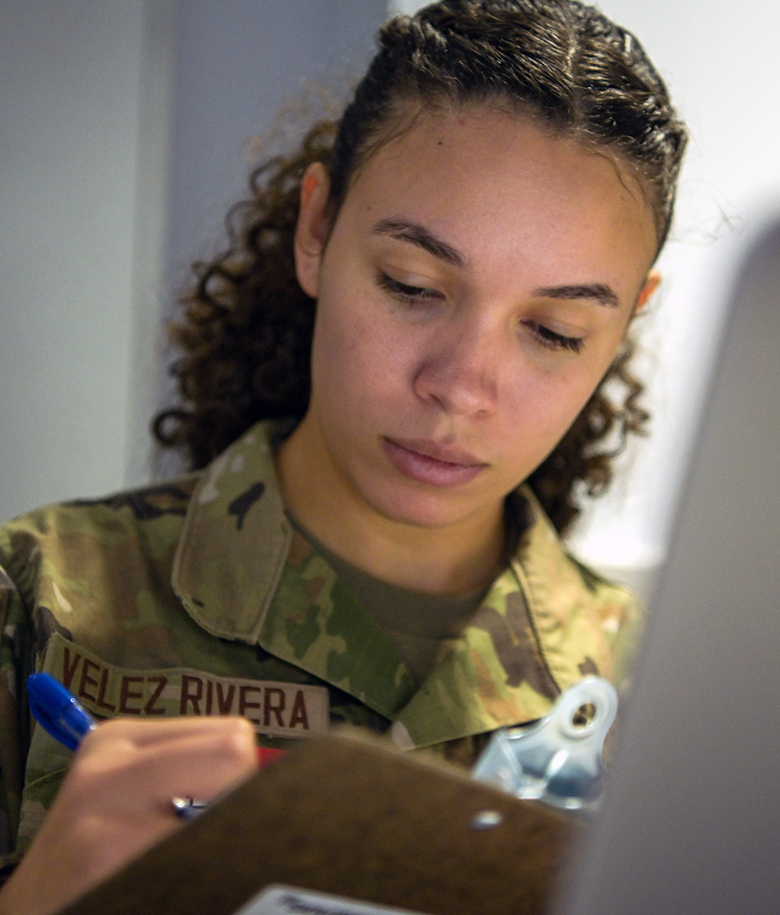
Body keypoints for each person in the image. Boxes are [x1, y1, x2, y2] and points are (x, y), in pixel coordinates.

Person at [0, 1, 687, 912]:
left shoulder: (675, 709)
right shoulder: (35, 598)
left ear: (625, 322)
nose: (461, 386)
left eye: (554, 332)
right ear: (317, 230)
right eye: (412, 285)